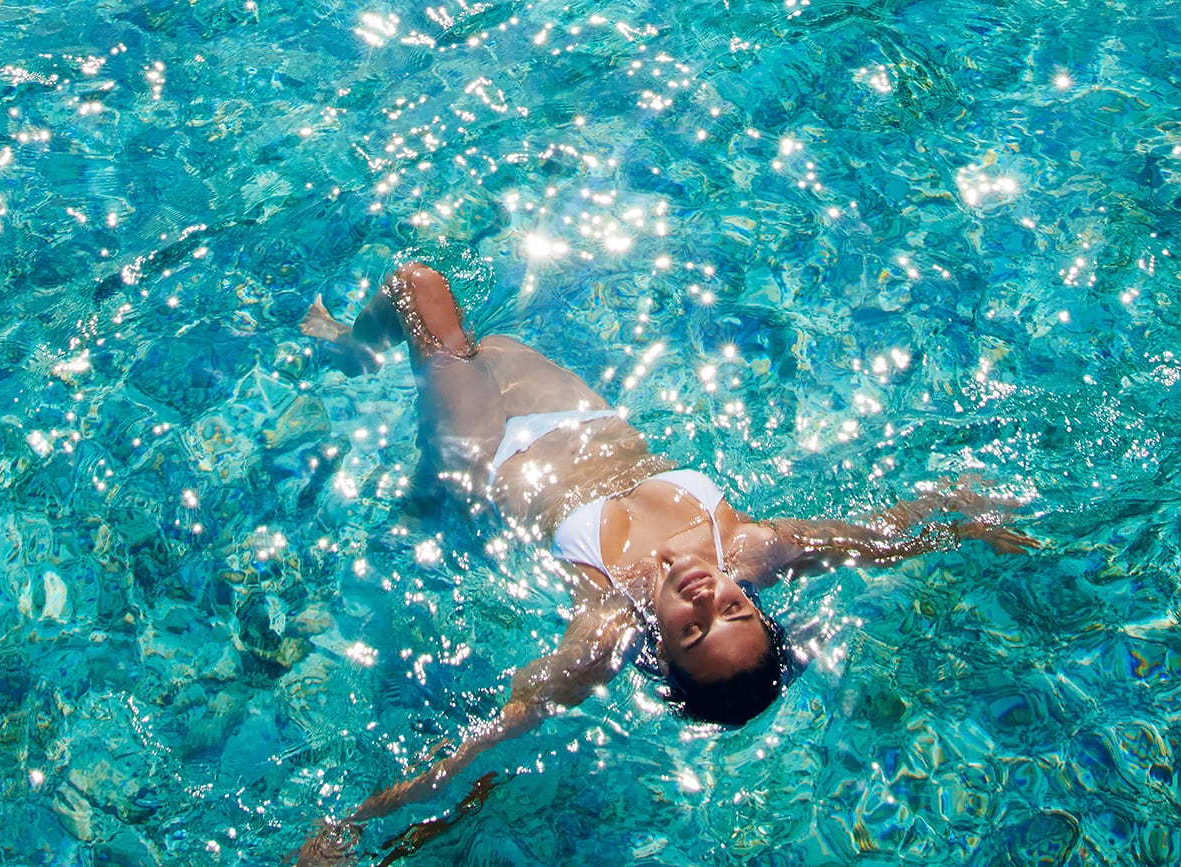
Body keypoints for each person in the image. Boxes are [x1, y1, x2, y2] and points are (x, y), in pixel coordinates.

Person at [294, 259, 1036, 855]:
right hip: (579, 421)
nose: (703, 590)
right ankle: (415, 470)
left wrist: (357, 821)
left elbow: (493, 734)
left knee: (416, 287)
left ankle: (352, 351)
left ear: (663, 651)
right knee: (489, 345)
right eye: (734, 606)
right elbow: (872, 536)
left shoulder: (608, 625)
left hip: (491, 454)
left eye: (692, 626)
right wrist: (964, 515)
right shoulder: (747, 547)